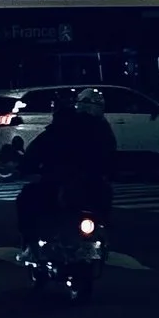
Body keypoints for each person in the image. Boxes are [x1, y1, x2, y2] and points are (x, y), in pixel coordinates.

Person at [14, 89, 118, 241]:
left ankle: (31, 241)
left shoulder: (61, 129)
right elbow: (111, 156)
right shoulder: (100, 130)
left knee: (28, 198)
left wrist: (23, 167)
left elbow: (36, 151)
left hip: (68, 182)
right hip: (77, 183)